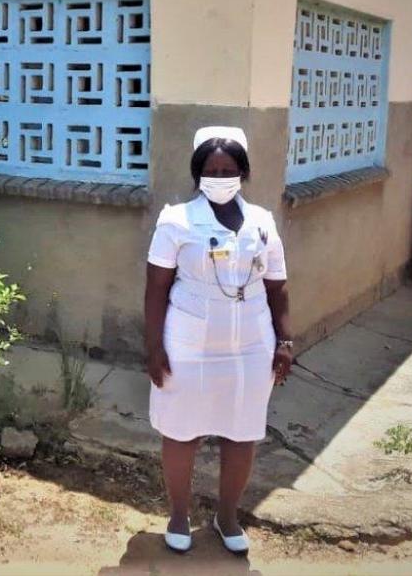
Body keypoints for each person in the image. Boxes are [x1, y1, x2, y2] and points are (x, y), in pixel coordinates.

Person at [144, 125, 294, 556]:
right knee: (180, 432)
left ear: (243, 172)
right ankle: (178, 514)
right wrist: (154, 348)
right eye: (211, 169)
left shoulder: (263, 221)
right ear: (197, 173)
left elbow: (277, 286)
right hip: (187, 345)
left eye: (229, 169)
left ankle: (227, 515)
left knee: (241, 433)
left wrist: (284, 340)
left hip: (250, 345)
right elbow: (155, 289)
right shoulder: (176, 221)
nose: (220, 176)